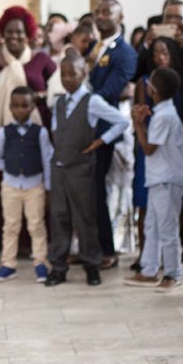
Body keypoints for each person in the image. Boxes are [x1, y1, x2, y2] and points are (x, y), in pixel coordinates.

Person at [45, 53, 129, 287]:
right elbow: (56, 131)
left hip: (81, 170)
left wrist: (100, 141)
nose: (68, 78)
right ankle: (58, 267)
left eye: (73, 73)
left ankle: (92, 265)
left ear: (84, 74)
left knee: (85, 218)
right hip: (59, 167)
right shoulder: (59, 102)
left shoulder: (92, 101)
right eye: (64, 74)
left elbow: (121, 121)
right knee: (59, 217)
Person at [0, 6, 57, 258]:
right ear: (2, 33)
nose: (15, 37)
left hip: (36, 133)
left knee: (36, 187)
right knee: (1, 187)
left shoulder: (41, 60)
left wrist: (39, 96)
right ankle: (5, 242)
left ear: (29, 34)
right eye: (10, 32)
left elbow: (56, 92)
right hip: (0, 132)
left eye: (20, 33)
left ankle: (35, 244)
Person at [125, 68, 183, 292]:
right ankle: (149, 269)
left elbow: (149, 148)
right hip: (158, 178)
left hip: (166, 179)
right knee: (151, 225)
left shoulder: (164, 116)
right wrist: (143, 121)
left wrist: (137, 123)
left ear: (153, 90)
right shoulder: (161, 113)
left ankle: (173, 273)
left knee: (167, 228)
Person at [88, 0, 138, 270]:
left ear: (120, 17)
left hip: (112, 131)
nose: (101, 15)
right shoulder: (97, 47)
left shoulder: (125, 52)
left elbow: (110, 91)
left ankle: (111, 249)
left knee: (110, 192)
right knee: (95, 191)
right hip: (93, 126)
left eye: (108, 12)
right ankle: (97, 246)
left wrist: (83, 100)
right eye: (99, 11)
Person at [0, 87, 52, 283]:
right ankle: (8, 264)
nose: (20, 110)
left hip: (35, 186)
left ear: (32, 107)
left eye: (25, 106)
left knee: (36, 225)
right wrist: (11, 167)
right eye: (16, 106)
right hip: (10, 187)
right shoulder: (4, 132)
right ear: (10, 108)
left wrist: (48, 187)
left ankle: (41, 262)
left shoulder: (40, 132)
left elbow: (47, 159)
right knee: (11, 226)